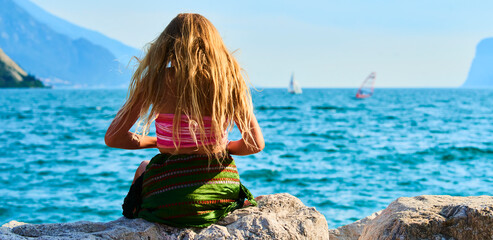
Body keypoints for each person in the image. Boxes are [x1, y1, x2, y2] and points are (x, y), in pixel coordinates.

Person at [104, 13, 265, 228]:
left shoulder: (155, 80)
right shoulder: (228, 80)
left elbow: (114, 138)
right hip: (218, 193)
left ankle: (135, 220)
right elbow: (254, 144)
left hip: (167, 196)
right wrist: (221, 146)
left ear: (166, 46)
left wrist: (157, 142)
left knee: (144, 166)